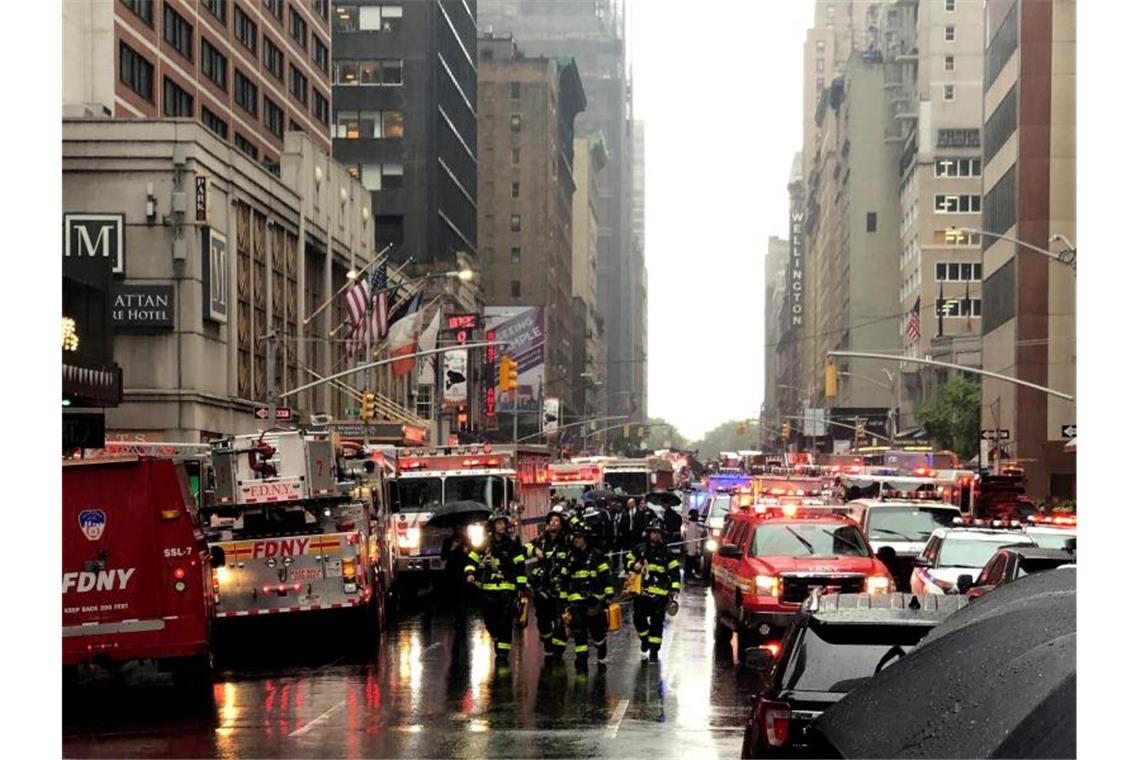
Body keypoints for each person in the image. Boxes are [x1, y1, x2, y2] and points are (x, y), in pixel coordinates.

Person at [465, 510, 528, 666]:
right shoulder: (484, 544)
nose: (502, 526)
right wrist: (471, 573)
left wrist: (520, 586)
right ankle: (497, 637)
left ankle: (502, 652)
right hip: (488, 589)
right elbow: (471, 560)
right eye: (499, 523)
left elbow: (520, 566)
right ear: (492, 526)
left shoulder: (512, 544)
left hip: (507, 589)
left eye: (503, 523)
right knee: (490, 620)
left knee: (505, 620)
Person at [560, 523, 615, 672]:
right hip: (576, 601)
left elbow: (606, 577)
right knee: (578, 629)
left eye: (579, 537)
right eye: (574, 537)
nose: (576, 540)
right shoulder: (570, 557)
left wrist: (608, 596)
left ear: (585, 539)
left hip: (594, 600)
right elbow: (564, 580)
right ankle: (581, 657)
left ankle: (601, 644)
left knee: (597, 631)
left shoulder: (597, 555)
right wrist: (564, 601)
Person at [626, 518, 681, 663]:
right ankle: (644, 638)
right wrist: (633, 565)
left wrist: (674, 588)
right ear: (649, 533)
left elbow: (675, 572)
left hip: (660, 595)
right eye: (653, 532)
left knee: (657, 624)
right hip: (642, 592)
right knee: (638, 618)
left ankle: (654, 651)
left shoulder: (667, 553)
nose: (656, 535)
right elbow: (627, 559)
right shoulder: (640, 549)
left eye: (658, 533)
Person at [526, 507, 570, 657]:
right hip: (543, 586)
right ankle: (547, 640)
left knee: (560, 619)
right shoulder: (542, 539)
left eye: (557, 520)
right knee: (542, 618)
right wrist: (534, 550)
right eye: (551, 520)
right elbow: (524, 547)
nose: (554, 523)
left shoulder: (567, 540)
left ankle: (559, 650)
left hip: (561, 587)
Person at [683, 508, 702, 581]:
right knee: (691, 560)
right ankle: (689, 574)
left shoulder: (688, 524)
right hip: (692, 546)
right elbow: (696, 537)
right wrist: (698, 547)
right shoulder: (694, 525)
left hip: (689, 546)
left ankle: (688, 574)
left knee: (689, 560)